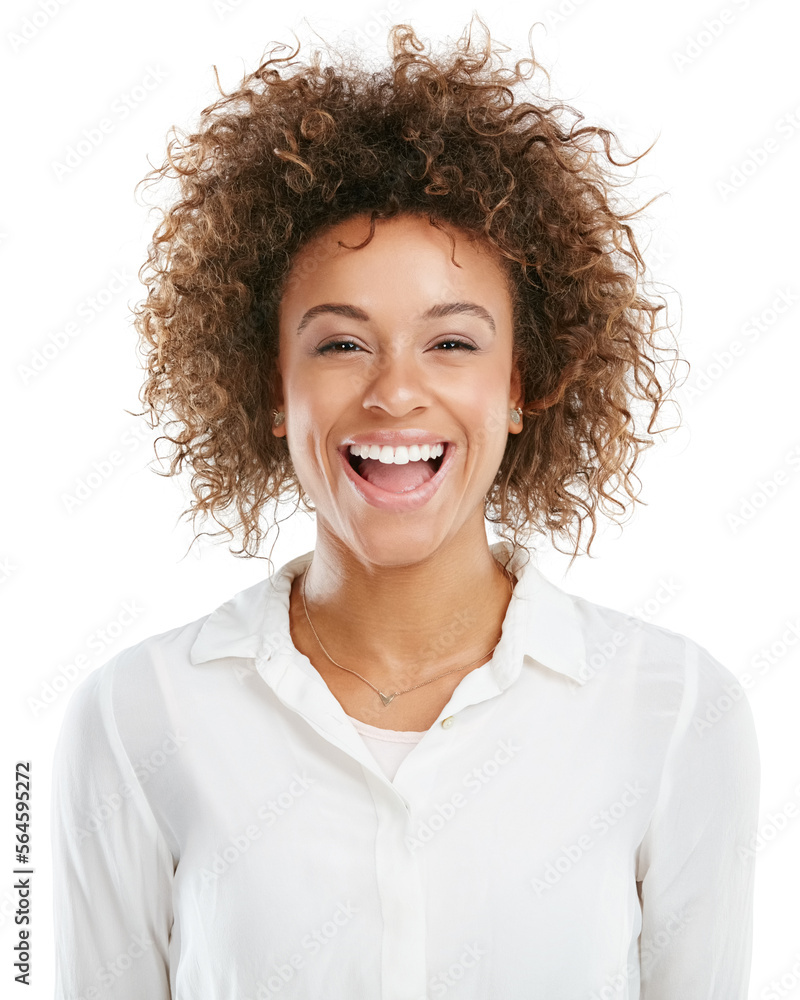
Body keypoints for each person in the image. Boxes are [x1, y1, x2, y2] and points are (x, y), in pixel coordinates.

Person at [50, 16, 760, 1000]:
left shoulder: (677, 714)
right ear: (268, 385)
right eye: (341, 343)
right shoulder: (135, 720)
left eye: (451, 343)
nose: (393, 393)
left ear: (521, 382)